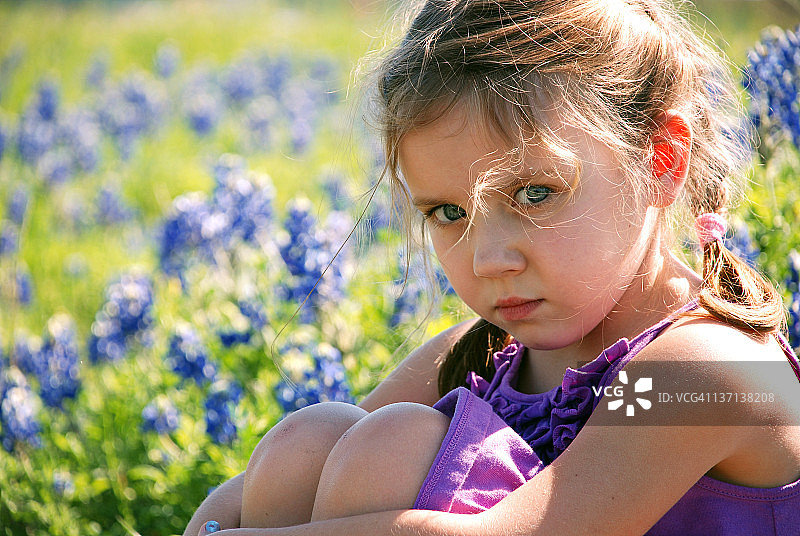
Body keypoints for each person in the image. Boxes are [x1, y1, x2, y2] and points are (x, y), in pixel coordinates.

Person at [184, 0, 800, 534]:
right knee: (306, 441)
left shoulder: (704, 369)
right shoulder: (479, 350)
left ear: (661, 162)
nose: (488, 260)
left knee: (389, 450)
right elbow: (229, 502)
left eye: (535, 193)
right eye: (448, 212)